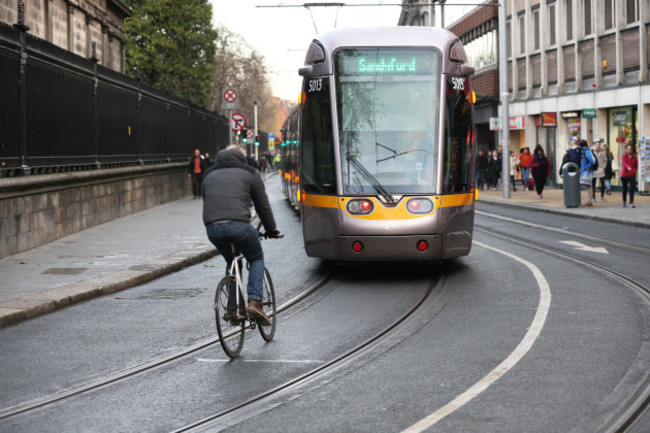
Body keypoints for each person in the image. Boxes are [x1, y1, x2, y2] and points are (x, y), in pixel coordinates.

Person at [202, 145, 283, 325]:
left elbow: (206, 198)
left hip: (212, 228)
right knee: (256, 258)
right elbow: (263, 206)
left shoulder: (208, 173)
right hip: (238, 226)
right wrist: (272, 230)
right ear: (242, 157)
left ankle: (232, 310)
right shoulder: (250, 172)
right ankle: (255, 302)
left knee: (233, 261)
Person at [620, 143, 638, 208]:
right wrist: (628, 167)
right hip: (624, 175)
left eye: (630, 149)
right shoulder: (623, 156)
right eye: (628, 149)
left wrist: (633, 171)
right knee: (625, 189)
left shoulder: (634, 156)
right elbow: (624, 163)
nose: (629, 150)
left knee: (631, 189)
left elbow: (636, 166)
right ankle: (624, 201)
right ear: (625, 149)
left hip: (632, 175)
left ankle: (631, 202)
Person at [579, 139, 595, 206]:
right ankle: (589, 200)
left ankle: (590, 201)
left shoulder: (586, 151)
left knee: (589, 186)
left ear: (581, 146)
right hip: (586, 170)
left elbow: (591, 160)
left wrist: (588, 167)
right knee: (588, 185)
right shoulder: (585, 151)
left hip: (587, 171)